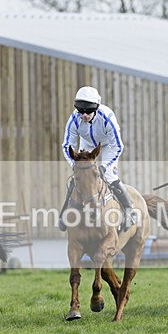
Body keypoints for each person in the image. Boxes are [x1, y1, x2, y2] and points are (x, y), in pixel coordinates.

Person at [59, 86, 137, 231]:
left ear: (96, 107)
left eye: (89, 111)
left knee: (110, 176)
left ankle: (129, 210)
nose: (84, 115)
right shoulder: (74, 119)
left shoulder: (107, 118)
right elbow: (67, 146)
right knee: (78, 176)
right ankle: (65, 211)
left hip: (108, 145)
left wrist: (105, 166)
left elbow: (118, 146)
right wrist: (74, 164)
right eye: (81, 110)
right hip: (87, 144)